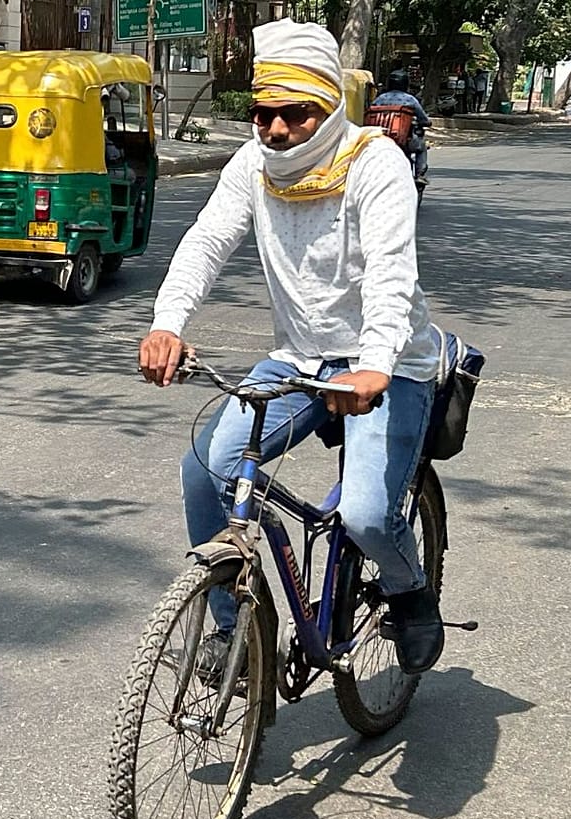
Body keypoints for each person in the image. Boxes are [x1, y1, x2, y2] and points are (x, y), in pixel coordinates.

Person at [137, 18, 446, 677]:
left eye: (295, 115)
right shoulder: (253, 165)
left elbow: (393, 273)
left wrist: (375, 364)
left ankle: (409, 592)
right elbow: (204, 243)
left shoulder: (374, 163)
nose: (276, 130)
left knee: (365, 514)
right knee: (207, 469)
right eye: (264, 114)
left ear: (331, 106)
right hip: (300, 360)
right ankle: (231, 631)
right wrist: (168, 322)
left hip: (386, 363)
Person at [371, 69, 430, 182]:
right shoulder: (410, 99)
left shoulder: (380, 99)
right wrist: (426, 122)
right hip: (404, 140)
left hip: (381, 139)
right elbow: (423, 118)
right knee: (421, 147)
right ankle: (420, 175)